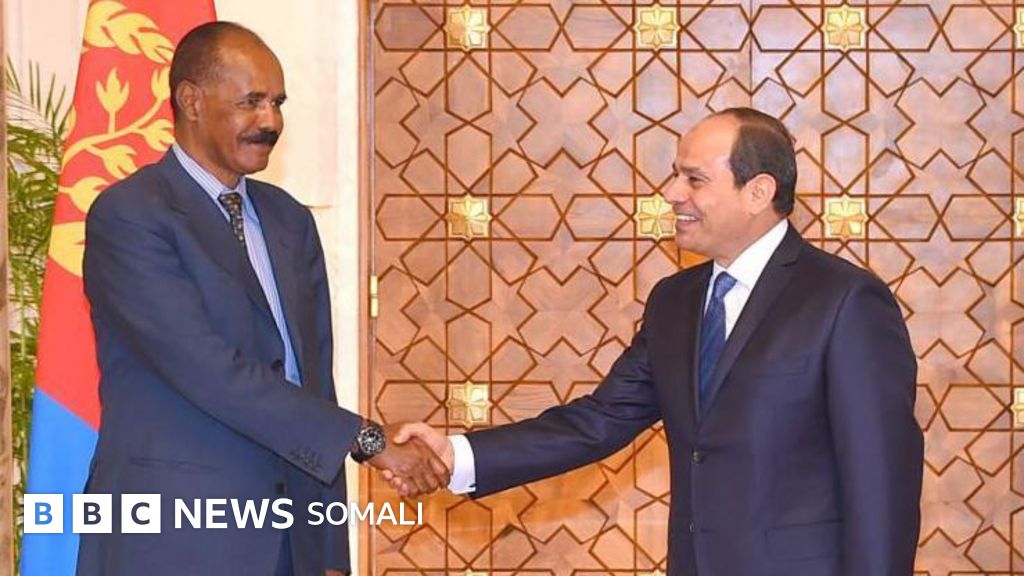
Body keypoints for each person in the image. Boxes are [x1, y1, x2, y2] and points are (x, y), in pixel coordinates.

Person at [395, 108, 924, 575]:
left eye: (694, 179)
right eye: (675, 175)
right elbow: (599, 421)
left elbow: (881, 484)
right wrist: (457, 454)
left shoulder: (845, 301)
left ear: (758, 192)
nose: (672, 193)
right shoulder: (675, 300)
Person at [78, 22, 447, 576]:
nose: (270, 121)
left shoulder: (289, 220)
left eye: (277, 103)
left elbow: (312, 383)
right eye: (250, 102)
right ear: (191, 101)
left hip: (290, 542)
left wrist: (328, 552)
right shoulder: (131, 215)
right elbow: (210, 371)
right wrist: (368, 440)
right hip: (174, 540)